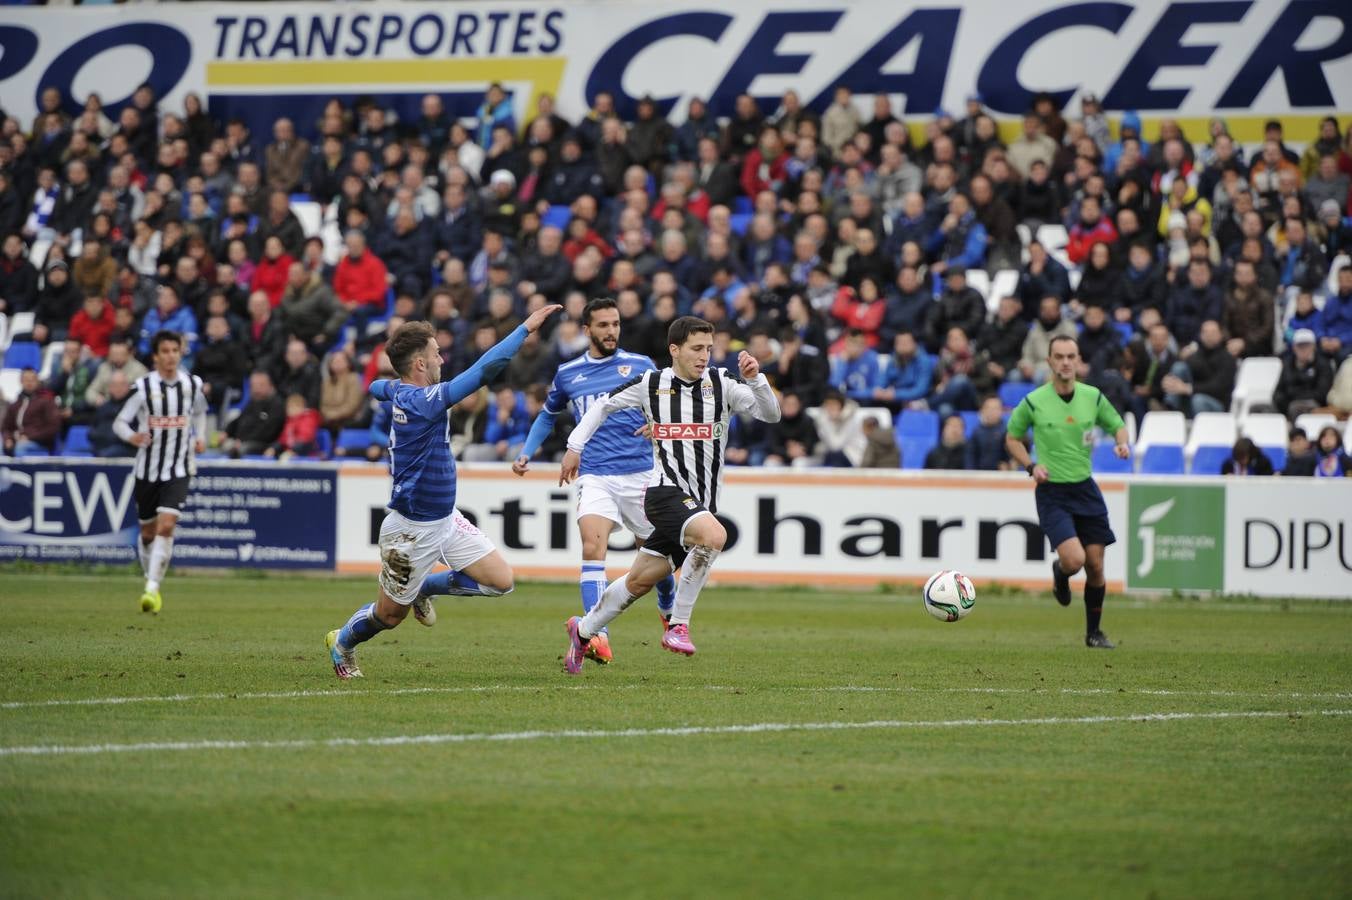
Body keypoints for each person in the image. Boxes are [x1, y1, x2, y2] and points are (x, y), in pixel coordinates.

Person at [325, 304, 562, 680]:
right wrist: (525, 328)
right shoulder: (423, 401)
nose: (442, 359)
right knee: (389, 616)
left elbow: (375, 387)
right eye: (436, 353)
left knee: (501, 581)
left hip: (445, 518)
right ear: (420, 363)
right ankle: (342, 642)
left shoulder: (401, 391)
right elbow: (484, 371)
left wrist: (384, 388)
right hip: (411, 531)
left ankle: (423, 588)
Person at [558, 316, 781, 672]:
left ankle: (583, 631)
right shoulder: (651, 384)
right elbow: (602, 406)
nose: (704, 356)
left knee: (639, 581)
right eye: (696, 348)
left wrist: (756, 380)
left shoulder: (722, 383)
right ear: (674, 350)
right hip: (663, 492)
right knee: (715, 536)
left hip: (698, 504)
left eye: (708, 348)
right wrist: (575, 446)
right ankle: (678, 625)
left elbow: (770, 415)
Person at [512, 298, 677, 664]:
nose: (611, 331)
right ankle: (597, 635)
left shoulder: (640, 365)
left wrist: (660, 426)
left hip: (640, 473)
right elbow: (548, 415)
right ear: (587, 330)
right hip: (595, 474)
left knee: (656, 556)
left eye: (615, 323)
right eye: (603, 325)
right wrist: (527, 451)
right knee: (592, 547)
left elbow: (668, 404)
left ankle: (669, 608)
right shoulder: (568, 373)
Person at [1005, 335, 1130, 649]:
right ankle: (1061, 573)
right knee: (1074, 560)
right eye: (1059, 356)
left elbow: (1117, 424)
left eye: (1070, 356)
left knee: (1096, 565)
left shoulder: (1093, 397)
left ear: (1078, 360)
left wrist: (1122, 443)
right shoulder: (1034, 401)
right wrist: (1031, 466)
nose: (1065, 362)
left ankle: (1094, 633)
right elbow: (1012, 438)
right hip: (1052, 492)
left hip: (1085, 489)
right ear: (1049, 361)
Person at [112, 331, 208, 614]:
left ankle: (152, 589)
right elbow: (120, 423)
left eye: (174, 350)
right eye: (165, 351)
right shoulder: (143, 387)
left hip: (179, 467)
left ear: (181, 353)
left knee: (166, 526)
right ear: (155, 356)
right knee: (147, 534)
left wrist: (200, 436)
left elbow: (200, 412)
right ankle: (150, 577)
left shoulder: (192, 384)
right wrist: (133, 437)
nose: (170, 356)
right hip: (147, 470)